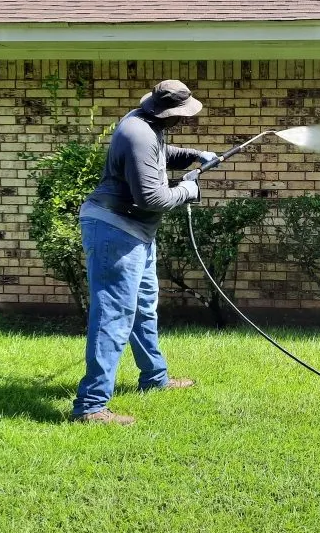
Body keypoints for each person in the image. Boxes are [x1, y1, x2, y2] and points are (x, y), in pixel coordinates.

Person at [71, 80, 215, 425]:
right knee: (114, 315)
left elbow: (159, 155)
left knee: (143, 305)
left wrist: (195, 156)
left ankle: (154, 378)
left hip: (135, 230)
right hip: (115, 228)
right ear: (169, 114)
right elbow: (152, 199)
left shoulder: (145, 123)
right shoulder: (138, 133)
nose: (183, 120)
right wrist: (188, 190)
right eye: (181, 116)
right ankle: (90, 406)